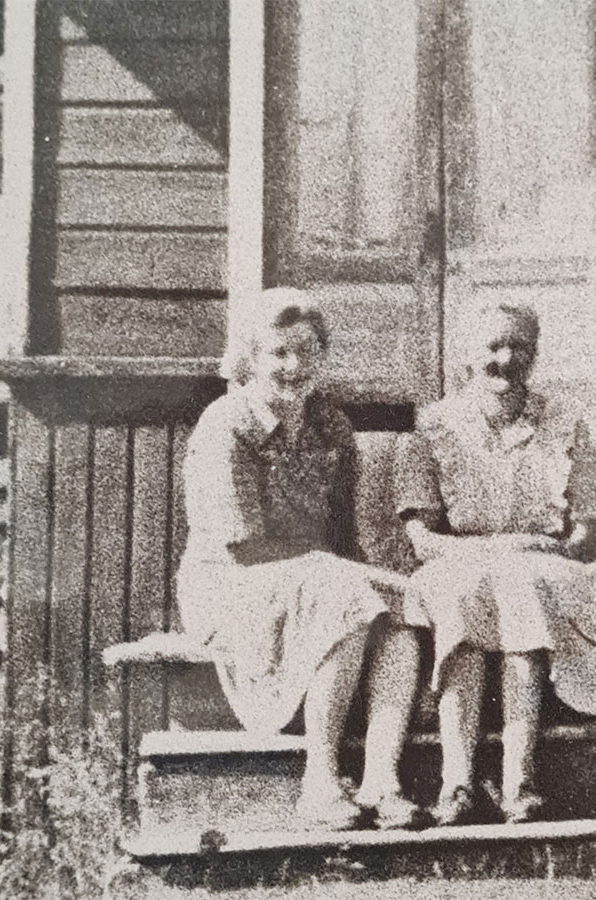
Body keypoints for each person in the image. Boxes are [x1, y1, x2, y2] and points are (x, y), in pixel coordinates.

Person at [176, 289, 424, 831]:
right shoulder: (226, 426)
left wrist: (376, 582)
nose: (294, 366)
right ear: (251, 358)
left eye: (307, 351)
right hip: (232, 585)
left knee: (401, 614)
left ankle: (381, 779)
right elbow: (242, 546)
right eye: (279, 353)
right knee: (346, 599)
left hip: (314, 578)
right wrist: (345, 576)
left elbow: (340, 536)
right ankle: (320, 781)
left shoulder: (331, 426)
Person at [395, 303, 596, 825]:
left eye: (519, 347)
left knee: (521, 587)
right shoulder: (433, 426)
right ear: (469, 353)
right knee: (464, 592)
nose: (505, 359)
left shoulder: (567, 423)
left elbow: (588, 536)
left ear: (535, 353)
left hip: (543, 565)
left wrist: (532, 552)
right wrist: (492, 551)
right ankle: (456, 784)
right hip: (460, 562)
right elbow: (421, 538)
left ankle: (518, 783)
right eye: (493, 346)